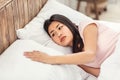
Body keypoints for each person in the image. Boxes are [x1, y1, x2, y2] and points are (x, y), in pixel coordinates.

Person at [24, 14, 120, 77]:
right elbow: (103, 74)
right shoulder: (78, 60)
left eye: (60, 27)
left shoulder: (86, 26)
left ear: (69, 24)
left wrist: (50, 59)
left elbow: (90, 54)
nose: (58, 34)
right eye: (53, 34)